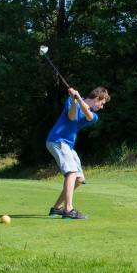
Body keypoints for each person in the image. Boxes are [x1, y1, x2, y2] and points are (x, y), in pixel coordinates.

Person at [46, 86, 110, 220]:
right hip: (58, 140)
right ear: (98, 98)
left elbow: (88, 114)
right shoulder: (71, 101)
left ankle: (56, 208)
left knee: (79, 179)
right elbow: (71, 116)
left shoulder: (94, 116)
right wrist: (74, 100)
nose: (102, 107)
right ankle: (68, 209)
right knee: (71, 173)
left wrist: (78, 98)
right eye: (102, 103)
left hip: (68, 146)